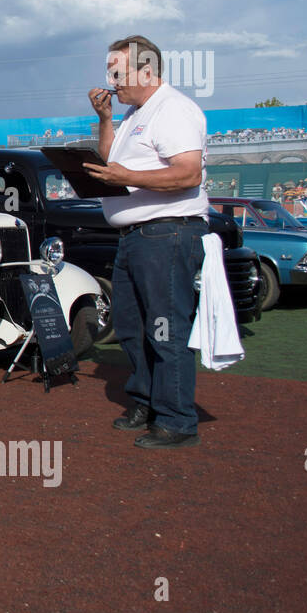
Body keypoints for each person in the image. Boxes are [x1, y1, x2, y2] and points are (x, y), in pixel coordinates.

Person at [86, 35, 209, 449]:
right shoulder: (136, 113)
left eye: (117, 72)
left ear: (146, 71)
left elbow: (189, 173)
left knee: (166, 329)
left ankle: (177, 421)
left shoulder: (173, 109)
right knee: (131, 326)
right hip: (138, 235)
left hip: (167, 233)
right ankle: (146, 403)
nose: (111, 81)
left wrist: (129, 179)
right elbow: (111, 165)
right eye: (109, 72)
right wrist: (105, 120)